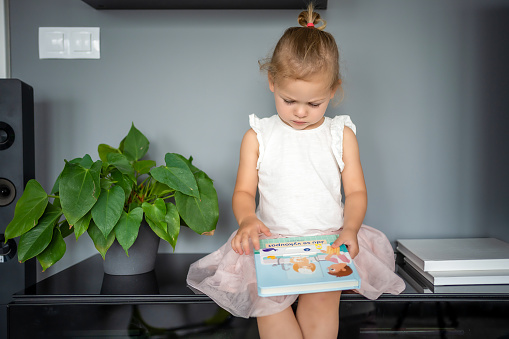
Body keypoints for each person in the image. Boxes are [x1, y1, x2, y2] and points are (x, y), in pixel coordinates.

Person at [187, 4, 405, 338]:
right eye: (290, 101)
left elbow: (357, 192)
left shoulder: (340, 135)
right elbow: (244, 192)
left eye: (314, 104)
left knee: (321, 312)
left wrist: (350, 228)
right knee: (271, 313)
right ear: (272, 82)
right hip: (272, 246)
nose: (301, 112)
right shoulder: (258, 136)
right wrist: (247, 219)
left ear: (333, 91)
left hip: (330, 242)